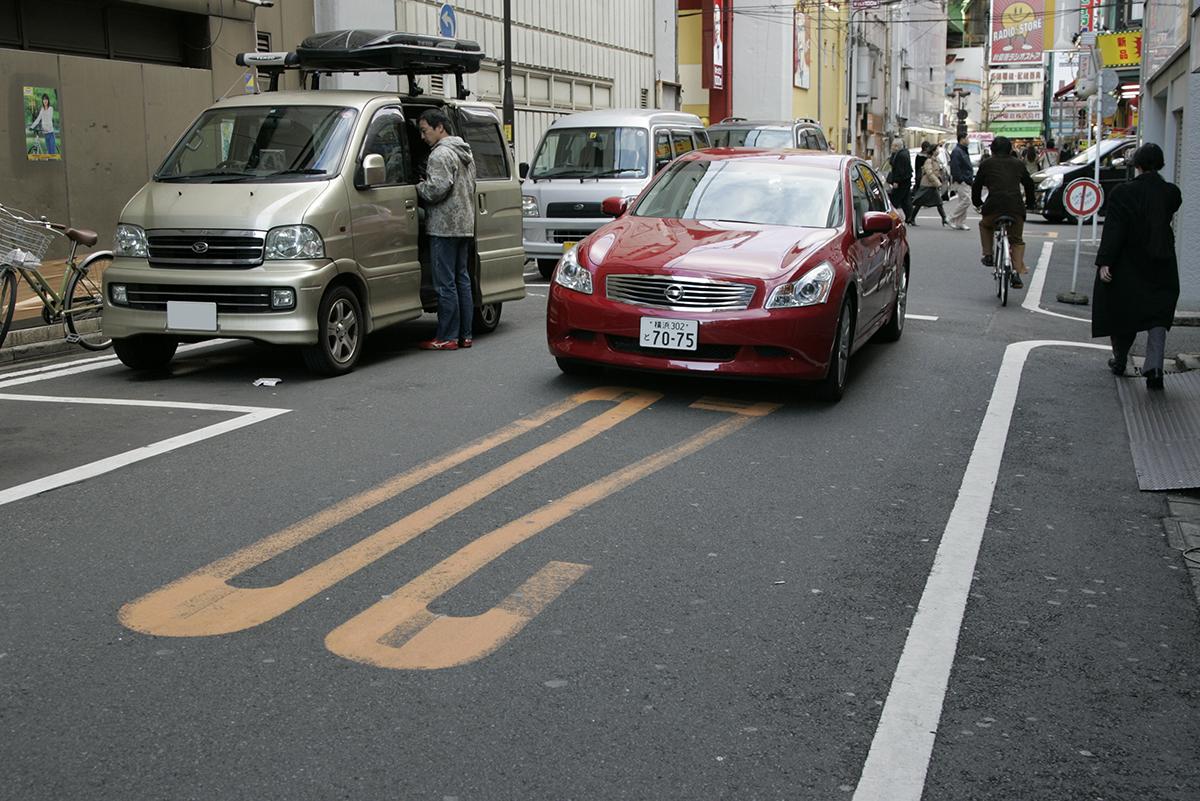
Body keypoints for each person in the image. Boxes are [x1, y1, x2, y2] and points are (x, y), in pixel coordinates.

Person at [1092, 143, 1183, 391]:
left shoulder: (1123, 193)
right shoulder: (1171, 193)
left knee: (1122, 310)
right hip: (1161, 262)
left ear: (1138, 166)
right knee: (1158, 315)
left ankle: (1120, 360)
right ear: (1161, 164)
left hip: (1128, 262)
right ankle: (1154, 367)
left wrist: (1105, 262)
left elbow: (1114, 230)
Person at [416, 107, 477, 351]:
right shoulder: (464, 152)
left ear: (440, 127)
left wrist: (418, 187)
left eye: (424, 130)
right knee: (462, 279)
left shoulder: (440, 154)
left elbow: (436, 189)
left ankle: (447, 336)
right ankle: (466, 334)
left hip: (443, 226)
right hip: (464, 224)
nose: (423, 136)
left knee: (445, 284)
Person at [972, 136, 1036, 289]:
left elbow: (977, 185)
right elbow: (1029, 184)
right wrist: (1030, 203)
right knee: (1016, 240)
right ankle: (1016, 272)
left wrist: (978, 203)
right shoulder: (1018, 164)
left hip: (993, 207)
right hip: (1015, 208)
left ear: (992, 149)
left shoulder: (987, 164)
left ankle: (988, 255)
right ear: (1010, 149)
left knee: (985, 225)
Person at [910, 142, 949, 226]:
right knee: (919, 202)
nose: (938, 151)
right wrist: (938, 183)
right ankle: (911, 218)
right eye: (937, 149)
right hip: (927, 185)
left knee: (939, 202)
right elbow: (929, 173)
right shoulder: (929, 161)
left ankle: (944, 218)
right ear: (933, 151)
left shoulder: (936, 159)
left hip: (932, 185)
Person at [947, 132, 974, 230]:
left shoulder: (962, 150)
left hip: (965, 179)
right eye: (967, 138)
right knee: (966, 201)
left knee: (963, 200)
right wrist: (961, 179)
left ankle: (960, 222)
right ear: (962, 139)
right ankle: (951, 218)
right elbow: (955, 167)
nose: (968, 140)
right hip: (962, 180)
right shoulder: (957, 151)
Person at [887, 140, 913, 224]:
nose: (891, 148)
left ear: (897, 146)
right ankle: (910, 217)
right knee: (905, 200)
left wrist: (896, 181)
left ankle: (891, 217)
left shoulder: (901, 155)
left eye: (893, 146)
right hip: (906, 180)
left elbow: (899, 170)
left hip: (902, 182)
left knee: (894, 200)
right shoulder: (903, 153)